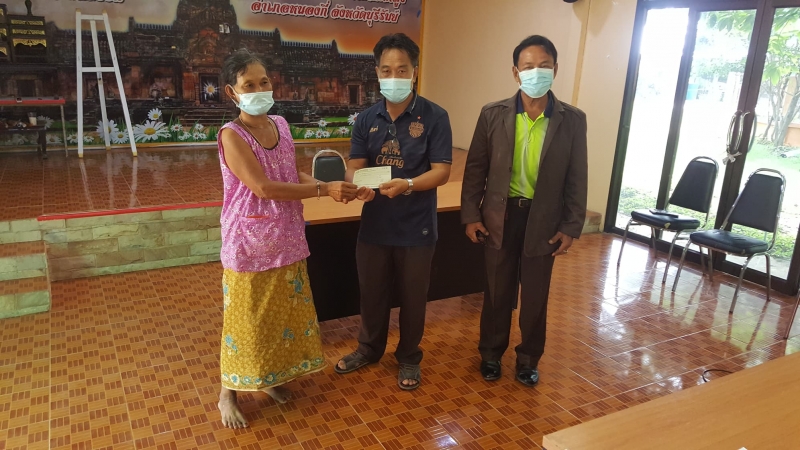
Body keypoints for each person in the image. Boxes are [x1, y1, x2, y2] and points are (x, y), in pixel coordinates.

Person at [215, 49, 358, 428]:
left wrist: (332, 186)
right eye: (249, 85)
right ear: (232, 92)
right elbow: (263, 187)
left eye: (264, 82)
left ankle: (270, 379)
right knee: (245, 322)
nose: (259, 90)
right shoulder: (232, 135)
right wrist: (323, 190)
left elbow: (291, 175)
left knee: (279, 318)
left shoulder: (280, 123)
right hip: (248, 243)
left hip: (287, 238)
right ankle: (227, 393)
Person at [461, 35, 588, 387]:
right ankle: (490, 354)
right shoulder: (493, 114)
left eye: (544, 66)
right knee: (497, 291)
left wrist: (571, 225)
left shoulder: (572, 120)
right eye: (528, 66)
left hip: (543, 221)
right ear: (516, 72)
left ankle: (529, 359)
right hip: (499, 218)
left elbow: (577, 175)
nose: (536, 72)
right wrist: (471, 215)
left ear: (555, 70)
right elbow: (475, 169)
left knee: (535, 296)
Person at [334, 33, 453, 390]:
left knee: (413, 298)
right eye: (386, 70)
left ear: (414, 71)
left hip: (416, 228)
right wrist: (357, 184)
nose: (394, 76)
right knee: (372, 293)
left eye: (402, 70)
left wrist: (409, 184)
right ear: (377, 72)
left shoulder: (435, 116)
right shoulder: (366, 118)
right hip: (375, 225)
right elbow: (355, 164)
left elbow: (441, 171)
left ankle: (409, 357)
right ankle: (369, 349)